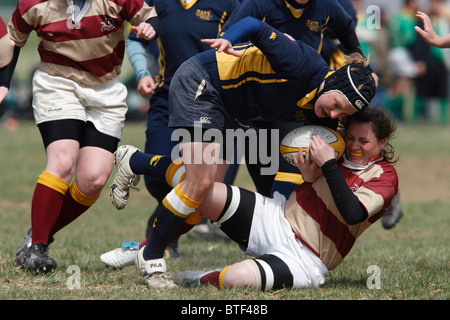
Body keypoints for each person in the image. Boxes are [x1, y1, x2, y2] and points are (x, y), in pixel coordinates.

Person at [108, 17, 377, 288]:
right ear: (333, 82)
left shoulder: (325, 116)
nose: (334, 114)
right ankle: (151, 254)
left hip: (232, 111)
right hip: (202, 81)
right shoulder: (302, 62)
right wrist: (229, 37)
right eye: (336, 105)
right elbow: (255, 25)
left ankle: (135, 160)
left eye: (344, 114)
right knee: (199, 183)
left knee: (206, 195)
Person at [1, 0, 159, 273]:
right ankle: (37, 248)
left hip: (105, 90)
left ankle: (38, 235)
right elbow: (13, 40)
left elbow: (150, 17)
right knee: (63, 161)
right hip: (57, 83)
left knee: (93, 179)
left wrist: (148, 27)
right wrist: (3, 84)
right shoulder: (35, 4)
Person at [173, 106, 399, 290]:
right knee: (202, 192)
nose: (354, 145)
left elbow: (352, 214)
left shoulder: (385, 177)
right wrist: (310, 176)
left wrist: (328, 164)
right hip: (275, 217)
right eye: (350, 137)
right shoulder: (336, 152)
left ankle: (201, 277)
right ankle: (149, 247)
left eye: (363, 141)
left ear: (382, 142)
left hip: (306, 258)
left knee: (237, 278)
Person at [105, 0, 239, 264]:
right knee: (159, 181)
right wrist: (142, 73)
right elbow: (135, 40)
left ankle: (156, 242)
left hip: (216, 103)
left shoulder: (228, 3)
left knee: (208, 189)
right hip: (168, 98)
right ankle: (158, 237)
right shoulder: (158, 3)